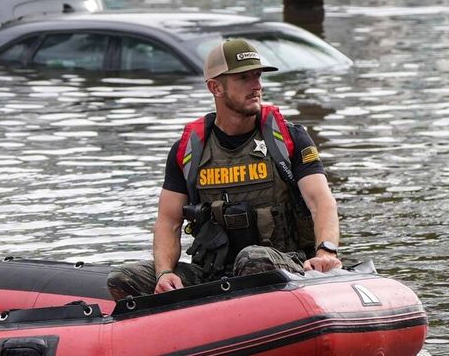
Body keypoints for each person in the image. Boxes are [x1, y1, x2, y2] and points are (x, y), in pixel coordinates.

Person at [107, 39, 342, 299]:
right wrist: (164, 273)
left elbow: (321, 202)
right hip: (213, 274)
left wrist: (326, 252)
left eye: (257, 75)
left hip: (283, 266)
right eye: (244, 78)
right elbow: (168, 222)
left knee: (252, 260)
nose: (257, 85)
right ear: (215, 87)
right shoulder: (189, 150)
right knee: (124, 277)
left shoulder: (289, 139)